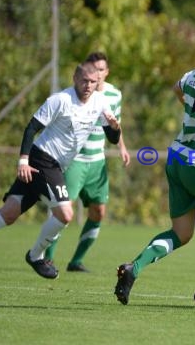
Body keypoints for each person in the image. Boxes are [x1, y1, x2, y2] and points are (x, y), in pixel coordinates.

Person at [114, 33, 195, 311]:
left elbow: (178, 90)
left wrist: (193, 116)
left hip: (176, 156)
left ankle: (134, 267)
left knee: (182, 232)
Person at [0, 62, 121, 279]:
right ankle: (36, 255)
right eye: (84, 81)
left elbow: (113, 139)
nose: (88, 86)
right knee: (66, 213)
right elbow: (31, 127)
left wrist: (116, 128)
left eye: (93, 82)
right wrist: (23, 161)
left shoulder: (100, 102)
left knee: (9, 213)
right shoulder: (61, 100)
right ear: (75, 79)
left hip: (55, 164)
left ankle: (35, 255)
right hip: (42, 159)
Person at [44, 52, 130, 272]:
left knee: (98, 212)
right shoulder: (76, 94)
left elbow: (115, 125)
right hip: (76, 160)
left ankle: (76, 261)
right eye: (93, 70)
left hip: (97, 161)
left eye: (101, 70)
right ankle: (47, 258)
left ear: (106, 72)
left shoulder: (114, 95)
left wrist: (122, 147)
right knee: (63, 211)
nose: (97, 74)